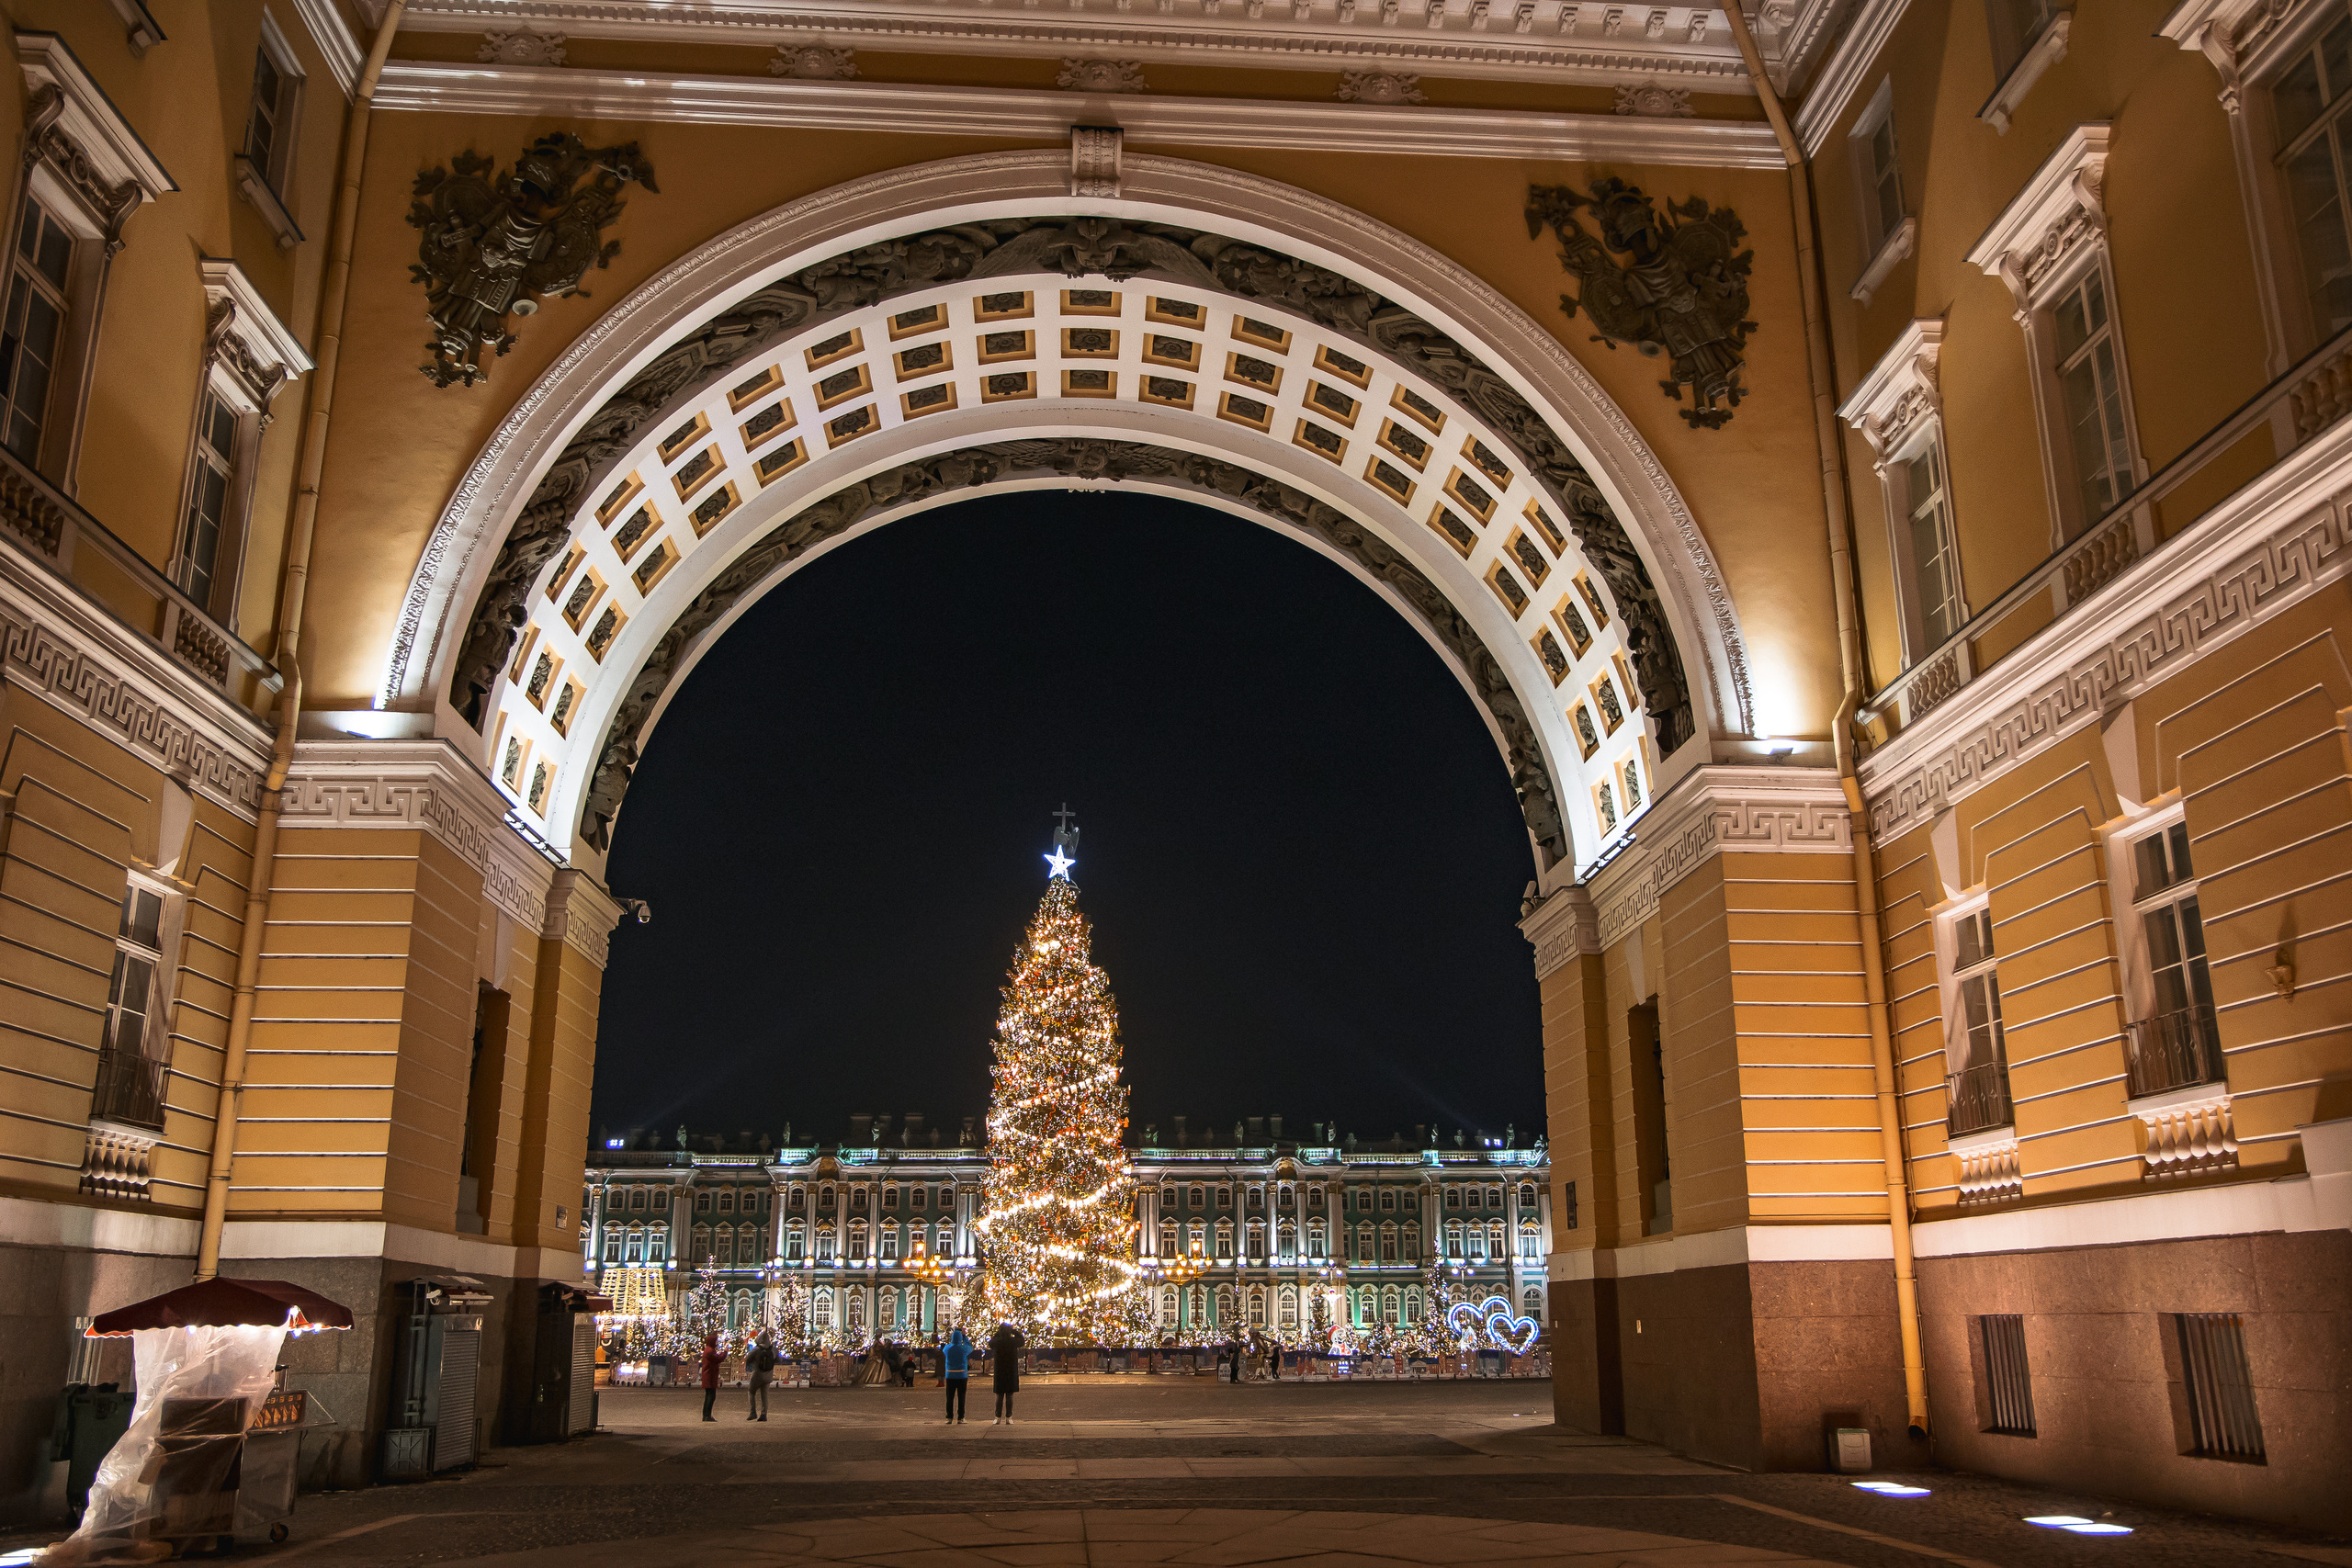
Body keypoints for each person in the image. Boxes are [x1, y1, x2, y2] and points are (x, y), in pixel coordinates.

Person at [988, 1321, 1023, 1424]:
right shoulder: (1013, 1341)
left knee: (999, 1395)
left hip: (999, 1370)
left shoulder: (997, 1342)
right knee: (1009, 1395)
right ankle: (1009, 1417)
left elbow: (991, 1342)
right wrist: (1014, 1331)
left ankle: (997, 1417)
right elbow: (1022, 1341)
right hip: (1011, 1370)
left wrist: (998, 1333)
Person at [942, 1325, 972, 1424]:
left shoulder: (947, 1348)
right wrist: (964, 1337)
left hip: (950, 1375)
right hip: (961, 1375)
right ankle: (961, 1417)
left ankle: (949, 1417)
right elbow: (970, 1347)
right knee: (961, 1397)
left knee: (949, 1398)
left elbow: (944, 1348)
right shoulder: (963, 1349)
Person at [745, 1329, 776, 1422]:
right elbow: (779, 1360)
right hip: (768, 1375)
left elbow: (748, 1358)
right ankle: (764, 1414)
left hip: (757, 1374)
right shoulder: (773, 1350)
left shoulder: (757, 1349)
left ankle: (753, 1412)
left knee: (751, 1391)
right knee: (765, 1395)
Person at [699, 1332, 721, 1422]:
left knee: (709, 1395)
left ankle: (706, 1415)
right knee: (711, 1396)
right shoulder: (710, 1351)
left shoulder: (708, 1350)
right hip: (710, 1376)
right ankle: (707, 1415)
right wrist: (725, 1353)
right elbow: (717, 1359)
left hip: (709, 1376)